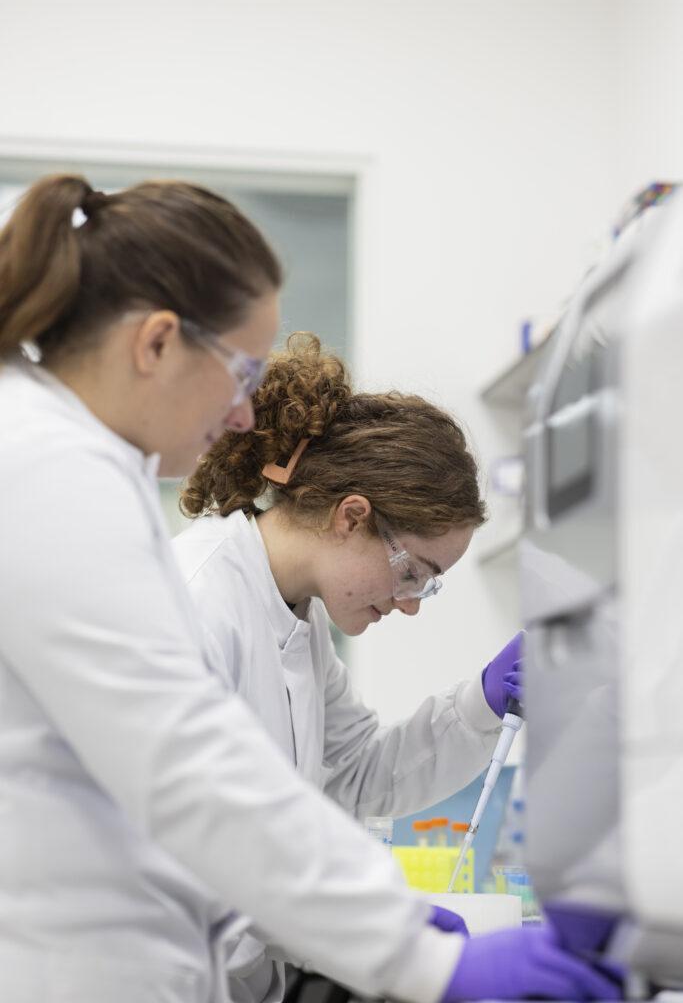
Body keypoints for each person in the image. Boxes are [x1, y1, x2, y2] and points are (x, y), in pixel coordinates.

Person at [0, 174, 621, 1003]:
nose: (245, 416)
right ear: (155, 343)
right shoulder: (66, 482)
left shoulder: (261, 596)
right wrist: (413, 955)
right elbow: (191, 777)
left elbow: (343, 775)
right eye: (239, 371)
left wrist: (476, 700)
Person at [173, 332, 524, 1003]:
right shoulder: (197, 602)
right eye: (413, 574)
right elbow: (201, 853)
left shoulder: (295, 614)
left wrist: (483, 699)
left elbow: (359, 773)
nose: (409, 604)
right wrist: (385, 936)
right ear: (351, 516)